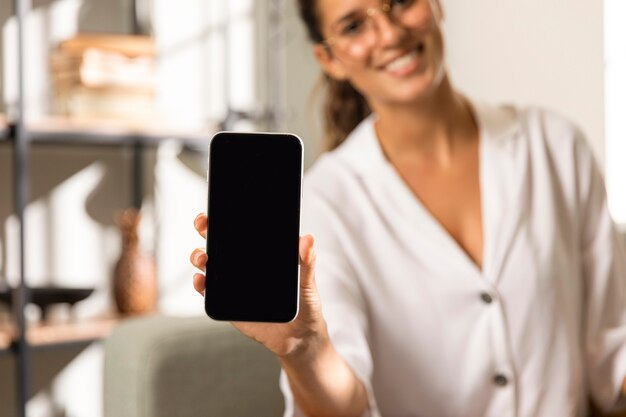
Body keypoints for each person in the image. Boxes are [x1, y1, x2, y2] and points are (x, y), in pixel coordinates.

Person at [190, 0, 626, 415]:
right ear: (330, 60)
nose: (389, 32)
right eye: (354, 25)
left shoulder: (554, 146)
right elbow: (346, 406)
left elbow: (612, 357)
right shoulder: (326, 202)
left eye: (399, 1)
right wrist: (303, 348)